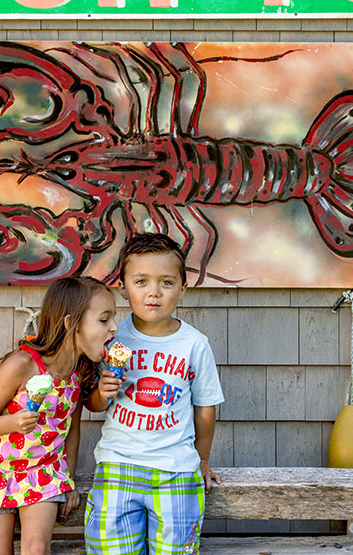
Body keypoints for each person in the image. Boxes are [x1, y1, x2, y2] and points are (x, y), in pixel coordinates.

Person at [0, 276, 120, 555]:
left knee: (37, 549)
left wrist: (69, 479)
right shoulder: (23, 364)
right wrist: (12, 422)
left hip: (42, 471)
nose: (114, 327)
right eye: (104, 320)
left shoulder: (80, 371)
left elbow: (71, 429)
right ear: (70, 324)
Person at [84, 233, 225, 555]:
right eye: (141, 281)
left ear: (182, 289)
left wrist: (202, 460)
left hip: (176, 468)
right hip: (118, 463)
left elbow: (205, 408)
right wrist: (101, 393)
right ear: (123, 287)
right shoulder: (111, 337)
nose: (153, 293)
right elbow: (91, 404)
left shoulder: (194, 344)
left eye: (166, 282)